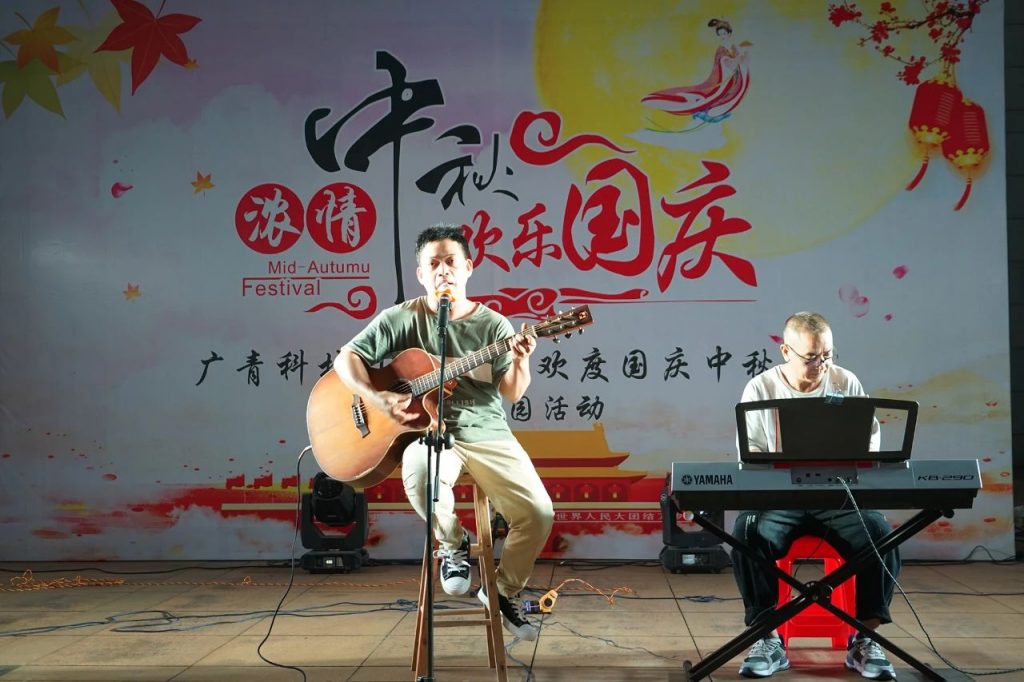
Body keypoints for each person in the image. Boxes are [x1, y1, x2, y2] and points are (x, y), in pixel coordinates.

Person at [333, 224, 554, 641]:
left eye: (451, 261)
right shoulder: (402, 318)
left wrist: (521, 360)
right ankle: (453, 545)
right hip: (429, 433)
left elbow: (512, 392)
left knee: (538, 514)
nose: (443, 270)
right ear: (421, 274)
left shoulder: (494, 325)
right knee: (420, 474)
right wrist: (376, 397)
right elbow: (347, 358)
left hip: (487, 431)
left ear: (468, 267)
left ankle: (501, 591)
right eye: (433, 264)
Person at [732, 312, 900, 680]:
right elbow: (749, 454)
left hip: (838, 498)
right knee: (747, 533)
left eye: (827, 355)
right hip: (779, 501)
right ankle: (767, 638)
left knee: (879, 533)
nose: (820, 364)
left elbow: (870, 441)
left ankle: (864, 639)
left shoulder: (845, 382)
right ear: (785, 351)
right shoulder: (760, 388)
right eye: (811, 357)